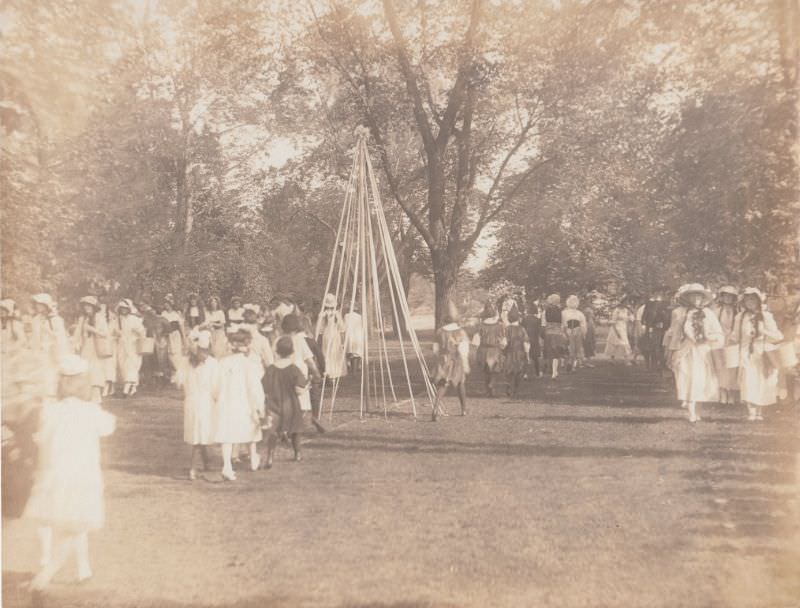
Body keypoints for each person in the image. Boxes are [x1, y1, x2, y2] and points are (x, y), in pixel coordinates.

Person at [23, 354, 115, 590]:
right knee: (76, 524)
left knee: (56, 520)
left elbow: (41, 439)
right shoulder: (90, 411)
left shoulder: (51, 411)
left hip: (54, 474)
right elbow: (108, 427)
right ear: (84, 384)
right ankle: (48, 574)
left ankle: (56, 565)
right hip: (82, 476)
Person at [666, 283, 724, 423]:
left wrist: (710, 337)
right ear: (688, 298)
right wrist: (671, 354)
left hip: (703, 351)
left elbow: (718, 332)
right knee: (689, 378)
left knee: (702, 380)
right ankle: (691, 412)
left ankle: (698, 412)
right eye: (693, 295)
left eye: (699, 295)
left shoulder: (709, 313)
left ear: (703, 298)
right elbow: (675, 334)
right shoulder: (681, 313)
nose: (696, 298)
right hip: (687, 351)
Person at [215, 329, 265, 480]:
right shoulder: (250, 364)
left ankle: (227, 465)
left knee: (227, 433)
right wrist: (259, 407)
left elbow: (216, 385)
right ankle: (253, 458)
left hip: (226, 402)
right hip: (244, 402)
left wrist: (217, 398)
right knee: (250, 429)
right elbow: (255, 388)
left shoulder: (222, 363)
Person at [731, 288, 783, 421]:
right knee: (748, 381)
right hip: (746, 354)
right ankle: (751, 412)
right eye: (747, 299)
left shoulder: (766, 316)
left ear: (758, 300)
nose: (750, 302)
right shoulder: (740, 317)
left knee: (762, 381)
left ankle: (759, 412)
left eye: (753, 299)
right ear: (743, 301)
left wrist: (763, 331)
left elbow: (777, 336)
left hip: (762, 354)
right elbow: (735, 336)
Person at [177, 330, 220, 480]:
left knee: (200, 432)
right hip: (201, 402)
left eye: (206, 350)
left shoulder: (189, 362)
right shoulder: (208, 363)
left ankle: (206, 462)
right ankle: (193, 468)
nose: (205, 353)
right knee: (198, 434)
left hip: (195, 401)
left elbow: (179, 382)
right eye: (203, 350)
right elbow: (216, 386)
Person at [262, 336, 307, 466]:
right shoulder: (294, 369)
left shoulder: (271, 369)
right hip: (291, 403)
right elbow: (299, 388)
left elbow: (264, 387)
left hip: (274, 403)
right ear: (292, 352)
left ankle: (270, 456)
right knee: (296, 428)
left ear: (276, 351)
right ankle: (298, 453)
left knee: (273, 431)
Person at [280, 313, 322, 416]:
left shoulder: (278, 340)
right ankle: (294, 427)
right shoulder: (300, 341)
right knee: (300, 402)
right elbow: (309, 360)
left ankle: (288, 425)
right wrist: (316, 373)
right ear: (296, 327)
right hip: (298, 376)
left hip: (282, 375)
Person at [71, 296, 111, 403]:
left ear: (94, 307)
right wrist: (74, 343)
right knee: (86, 370)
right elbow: (78, 333)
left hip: (96, 347)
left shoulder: (99, 317)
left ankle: (96, 396)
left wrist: (91, 329)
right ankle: (87, 395)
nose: (86, 308)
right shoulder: (83, 318)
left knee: (96, 370)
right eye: (85, 306)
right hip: (86, 347)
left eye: (89, 306)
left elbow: (105, 333)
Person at [29, 294, 70, 397]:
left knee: (53, 373)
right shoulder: (36, 319)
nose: (37, 306)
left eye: (40, 304)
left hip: (53, 351)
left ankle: (54, 394)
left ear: (46, 305)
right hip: (40, 351)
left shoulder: (56, 319)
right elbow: (34, 337)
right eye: (36, 304)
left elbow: (60, 338)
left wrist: (47, 330)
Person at [431, 313, 470, 420]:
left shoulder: (439, 332)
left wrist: (439, 357)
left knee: (442, 384)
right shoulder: (460, 332)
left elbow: (435, 349)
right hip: (456, 359)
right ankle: (464, 409)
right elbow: (464, 349)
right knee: (460, 383)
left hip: (443, 360)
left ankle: (435, 408)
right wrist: (465, 363)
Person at [711, 286, 740, 404]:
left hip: (733, 342)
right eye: (725, 296)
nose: (728, 298)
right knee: (720, 368)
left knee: (732, 368)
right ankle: (722, 392)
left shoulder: (738, 311)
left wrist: (733, 337)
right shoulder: (716, 310)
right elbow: (713, 326)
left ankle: (731, 393)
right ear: (721, 297)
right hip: (719, 342)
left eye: (731, 296)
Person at [472, 302, 505, 396]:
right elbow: (503, 339)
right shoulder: (499, 326)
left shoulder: (480, 326)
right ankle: (492, 385)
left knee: (486, 370)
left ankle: (488, 390)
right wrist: (503, 345)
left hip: (483, 349)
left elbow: (476, 340)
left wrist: (476, 347)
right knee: (494, 369)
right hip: (495, 349)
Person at [114, 299, 145, 397]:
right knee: (122, 365)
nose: (123, 310)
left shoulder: (134, 319)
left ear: (129, 309)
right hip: (122, 345)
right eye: (122, 308)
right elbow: (115, 330)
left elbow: (142, 331)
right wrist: (117, 334)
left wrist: (139, 337)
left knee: (131, 365)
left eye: (125, 308)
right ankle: (133, 387)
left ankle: (126, 390)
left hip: (133, 345)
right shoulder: (118, 319)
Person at [316, 293, 347, 379]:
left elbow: (320, 329)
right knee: (335, 352)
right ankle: (335, 371)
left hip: (326, 335)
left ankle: (328, 371)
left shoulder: (322, 314)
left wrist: (320, 336)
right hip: (335, 334)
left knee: (327, 352)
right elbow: (342, 327)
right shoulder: (337, 314)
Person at [641, 288, 671, 370]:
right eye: (656, 293)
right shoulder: (649, 304)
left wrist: (664, 324)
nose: (658, 295)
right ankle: (650, 364)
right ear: (653, 294)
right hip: (651, 328)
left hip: (663, 328)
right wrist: (648, 326)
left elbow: (667, 316)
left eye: (660, 293)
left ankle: (660, 364)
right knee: (651, 346)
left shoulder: (666, 304)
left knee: (661, 346)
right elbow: (644, 317)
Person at [503, 308, 530, 398]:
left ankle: (508, 385)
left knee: (509, 370)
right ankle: (516, 389)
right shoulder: (522, 329)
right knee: (519, 371)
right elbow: (526, 342)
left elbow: (504, 342)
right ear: (518, 318)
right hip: (520, 352)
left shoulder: (507, 329)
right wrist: (527, 353)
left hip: (510, 352)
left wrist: (503, 350)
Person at [160, 295, 185, 384]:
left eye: (167, 303)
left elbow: (181, 327)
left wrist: (184, 338)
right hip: (167, 336)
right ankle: (174, 375)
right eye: (165, 303)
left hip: (175, 336)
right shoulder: (163, 314)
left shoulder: (176, 314)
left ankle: (180, 375)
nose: (166, 305)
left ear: (171, 304)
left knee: (176, 354)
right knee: (169, 355)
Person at [542, 294, 567, 379]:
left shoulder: (545, 311)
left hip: (548, 333)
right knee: (556, 353)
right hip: (558, 334)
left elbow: (543, 324)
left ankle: (550, 369)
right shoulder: (561, 311)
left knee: (549, 352)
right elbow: (564, 324)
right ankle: (554, 372)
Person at [562, 295, 587, 371]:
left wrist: (563, 332)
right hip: (577, 330)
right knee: (576, 349)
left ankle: (570, 363)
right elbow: (583, 325)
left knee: (572, 348)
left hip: (569, 330)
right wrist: (584, 333)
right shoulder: (580, 313)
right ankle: (572, 364)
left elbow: (563, 324)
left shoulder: (564, 313)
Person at [522, 299, 543, 378]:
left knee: (526, 356)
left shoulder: (524, 319)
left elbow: (522, 329)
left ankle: (525, 374)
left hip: (526, 339)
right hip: (535, 339)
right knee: (535, 358)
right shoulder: (537, 320)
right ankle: (537, 373)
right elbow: (539, 331)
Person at [343, 302, 364, 374]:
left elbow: (345, 327)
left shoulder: (346, 316)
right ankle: (355, 369)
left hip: (350, 336)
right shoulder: (359, 317)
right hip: (358, 336)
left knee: (351, 353)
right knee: (357, 353)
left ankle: (353, 370)